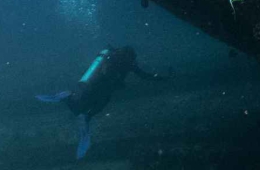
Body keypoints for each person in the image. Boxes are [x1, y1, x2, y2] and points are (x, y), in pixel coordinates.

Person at [36, 46, 166, 158]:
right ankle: (77, 108)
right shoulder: (120, 61)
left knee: (81, 107)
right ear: (129, 56)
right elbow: (112, 72)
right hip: (100, 88)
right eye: (132, 58)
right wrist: (119, 82)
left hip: (92, 86)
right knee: (93, 107)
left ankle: (68, 98)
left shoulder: (113, 57)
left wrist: (159, 78)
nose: (133, 61)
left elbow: (140, 75)